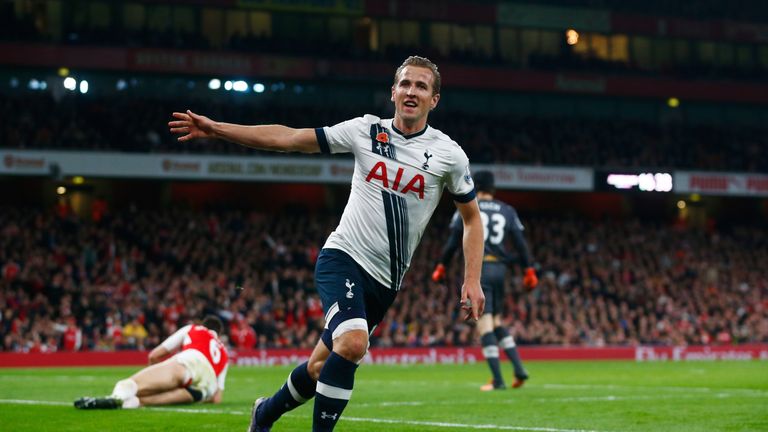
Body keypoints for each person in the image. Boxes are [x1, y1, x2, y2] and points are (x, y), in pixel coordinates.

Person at [168, 55, 485, 432]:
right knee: (352, 344)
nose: (411, 91)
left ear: (434, 99)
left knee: (320, 367)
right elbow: (289, 138)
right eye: (405, 84)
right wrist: (218, 129)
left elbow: (472, 219)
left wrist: (472, 278)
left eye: (421, 86)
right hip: (343, 256)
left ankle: (264, 415)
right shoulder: (365, 131)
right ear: (393, 92)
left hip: (385, 283)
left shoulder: (449, 155)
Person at [432, 170, 538, 390]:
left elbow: (453, 241)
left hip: (481, 269)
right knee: (497, 322)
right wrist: (529, 269)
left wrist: (442, 266)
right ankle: (518, 369)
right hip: (501, 269)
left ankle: (498, 380)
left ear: (475, 185)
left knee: (483, 324)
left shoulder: (469, 206)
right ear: (493, 187)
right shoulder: (507, 210)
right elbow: (520, 242)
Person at [74, 315, 228, 409]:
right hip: (205, 388)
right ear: (219, 334)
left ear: (203, 324)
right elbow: (216, 398)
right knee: (141, 400)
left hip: (189, 362)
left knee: (128, 385)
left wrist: (158, 380)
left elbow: (155, 355)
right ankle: (131, 403)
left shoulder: (193, 329)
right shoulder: (224, 353)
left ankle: (113, 398)